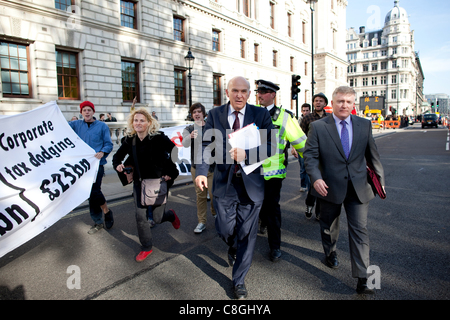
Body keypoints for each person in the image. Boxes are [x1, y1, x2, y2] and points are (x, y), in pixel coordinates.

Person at [195, 76, 274, 299]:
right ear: (227, 92)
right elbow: (205, 145)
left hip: (252, 184)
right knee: (224, 228)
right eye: (235, 90)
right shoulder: (215, 114)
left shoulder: (260, 114)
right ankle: (232, 244)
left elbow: (272, 146)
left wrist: (247, 154)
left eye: (244, 91)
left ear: (249, 94)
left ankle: (238, 280)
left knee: (247, 235)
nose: (239, 95)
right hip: (224, 183)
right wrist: (201, 172)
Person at [303, 86, 385, 294]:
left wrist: (380, 180)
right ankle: (330, 252)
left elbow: (372, 155)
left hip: (358, 187)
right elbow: (310, 157)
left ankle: (363, 278)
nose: (344, 105)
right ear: (333, 102)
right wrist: (316, 179)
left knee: (360, 231)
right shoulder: (319, 127)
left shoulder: (364, 125)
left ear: (353, 103)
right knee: (329, 227)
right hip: (328, 187)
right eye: (340, 101)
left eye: (348, 102)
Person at [113, 108, 180, 262]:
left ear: (149, 123)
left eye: (142, 120)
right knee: (140, 216)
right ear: (132, 123)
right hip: (139, 182)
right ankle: (146, 247)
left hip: (159, 182)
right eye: (136, 120)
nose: (138, 123)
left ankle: (170, 215)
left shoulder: (158, 138)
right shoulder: (130, 140)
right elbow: (117, 157)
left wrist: (170, 172)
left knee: (157, 218)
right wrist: (118, 165)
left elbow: (175, 153)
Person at [256, 79, 307, 262]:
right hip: (252, 171)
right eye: (258, 91)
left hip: (273, 172)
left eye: (263, 92)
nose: (259, 95)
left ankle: (275, 246)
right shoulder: (251, 112)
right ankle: (261, 221)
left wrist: (314, 165)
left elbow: (302, 143)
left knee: (272, 209)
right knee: (255, 205)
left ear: (272, 95)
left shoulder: (285, 116)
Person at [69, 101, 114, 234]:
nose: (87, 112)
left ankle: (106, 212)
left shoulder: (102, 126)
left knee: (94, 191)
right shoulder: (75, 125)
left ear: (93, 112)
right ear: (81, 112)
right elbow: (59, 127)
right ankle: (99, 220)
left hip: (97, 164)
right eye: (84, 110)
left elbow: (108, 144)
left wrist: (102, 152)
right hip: (82, 165)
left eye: (89, 110)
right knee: (90, 193)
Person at [182, 103, 216, 234]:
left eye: (198, 112)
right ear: (192, 115)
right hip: (196, 168)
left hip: (212, 167)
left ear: (203, 114)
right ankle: (201, 221)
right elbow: (184, 144)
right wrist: (189, 137)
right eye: (194, 112)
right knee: (200, 196)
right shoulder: (189, 129)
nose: (196, 114)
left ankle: (215, 213)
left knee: (214, 195)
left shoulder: (211, 127)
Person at [300, 92, 328, 220]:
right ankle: (309, 204)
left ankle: (320, 211)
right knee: (313, 183)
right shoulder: (307, 118)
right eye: (316, 100)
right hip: (312, 155)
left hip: (327, 155)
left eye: (321, 101)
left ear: (325, 104)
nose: (318, 102)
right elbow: (300, 135)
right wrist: (297, 149)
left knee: (324, 183)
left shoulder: (330, 118)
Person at [293, 103, 311, 192]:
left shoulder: (311, 120)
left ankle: (310, 186)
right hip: (301, 147)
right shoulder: (298, 121)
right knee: (303, 168)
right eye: (304, 110)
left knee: (310, 168)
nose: (305, 112)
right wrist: (294, 148)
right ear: (301, 111)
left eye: (307, 110)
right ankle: (303, 185)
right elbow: (294, 135)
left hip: (310, 147)